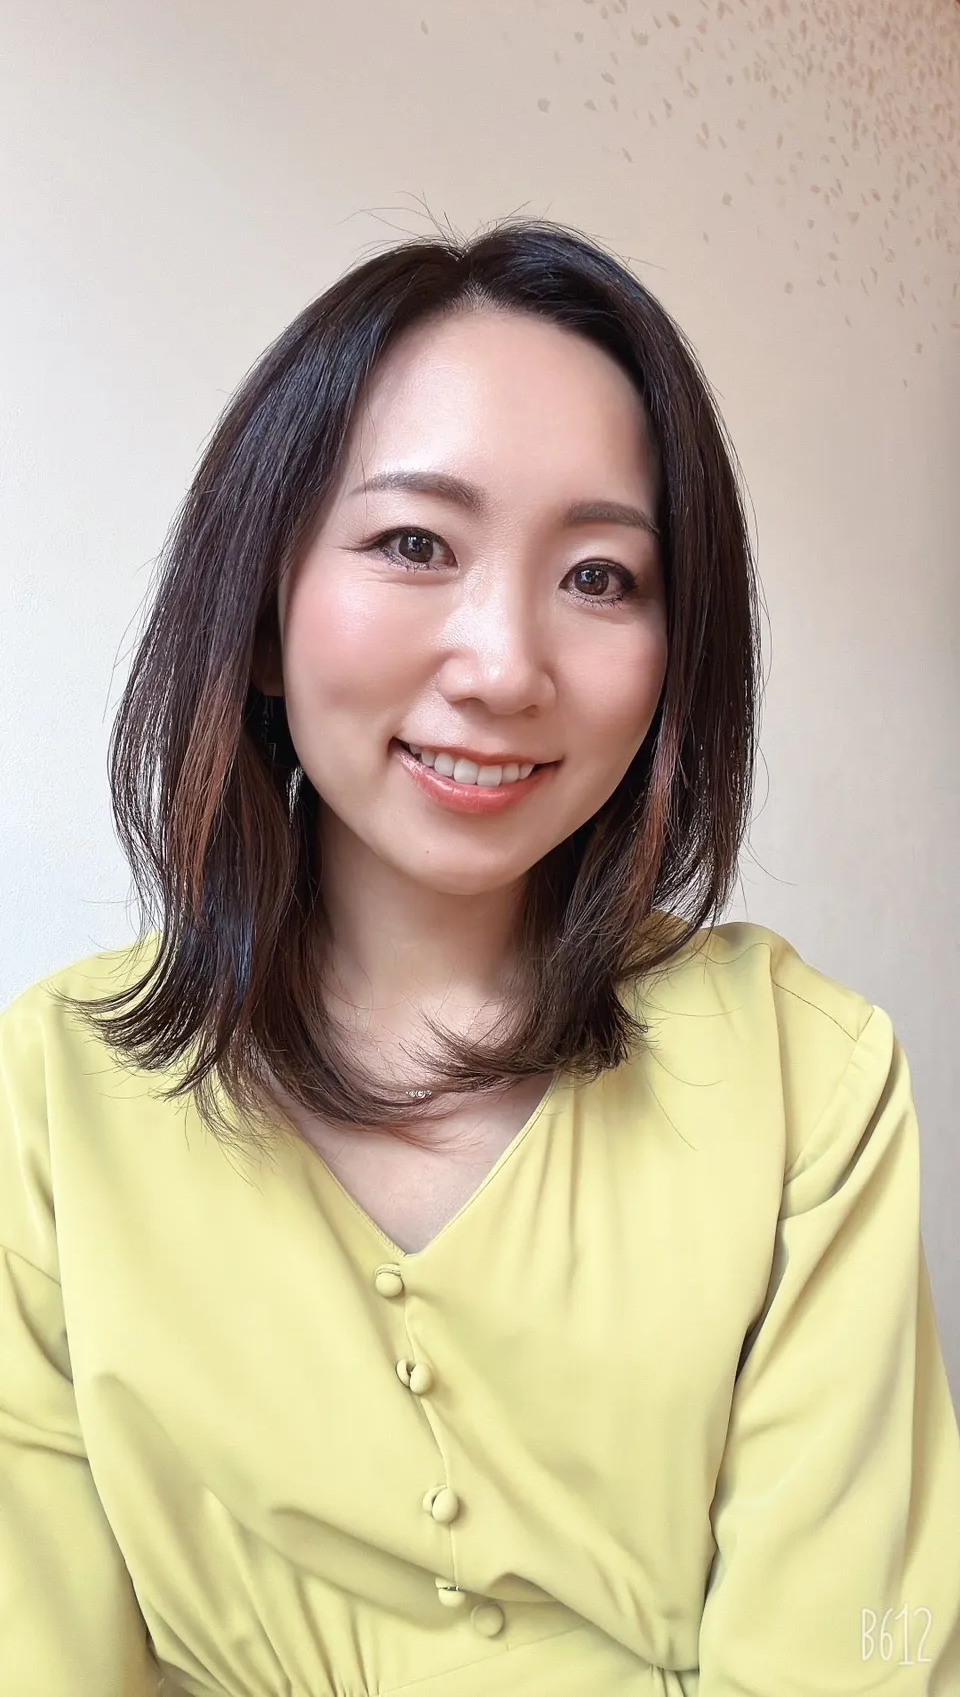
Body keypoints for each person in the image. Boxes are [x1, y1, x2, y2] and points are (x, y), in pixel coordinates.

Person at [1, 217, 958, 1697]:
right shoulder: (56, 1089)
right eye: (414, 544)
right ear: (262, 603)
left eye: (601, 577)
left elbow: (851, 1658)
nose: (506, 666)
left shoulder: (809, 1078)